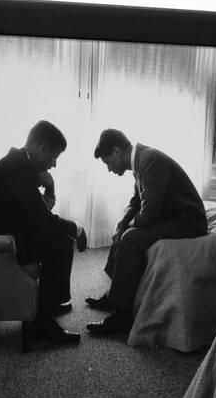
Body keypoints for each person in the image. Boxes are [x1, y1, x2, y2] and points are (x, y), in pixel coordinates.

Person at [0, 120, 87, 344]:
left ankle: (50, 305)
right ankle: (43, 322)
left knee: (58, 238)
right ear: (42, 149)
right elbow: (42, 220)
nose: (53, 165)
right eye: (53, 158)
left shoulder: (19, 164)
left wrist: (49, 186)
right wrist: (77, 228)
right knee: (61, 243)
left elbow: (35, 213)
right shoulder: (19, 171)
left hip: (1, 234)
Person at [86, 129, 208, 334]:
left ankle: (124, 315)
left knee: (131, 238)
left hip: (188, 220)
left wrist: (128, 226)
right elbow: (137, 201)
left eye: (108, 162)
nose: (109, 169)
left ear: (117, 152)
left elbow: (148, 215)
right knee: (123, 229)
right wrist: (122, 221)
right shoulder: (140, 161)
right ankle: (114, 296)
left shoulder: (149, 161)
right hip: (171, 214)